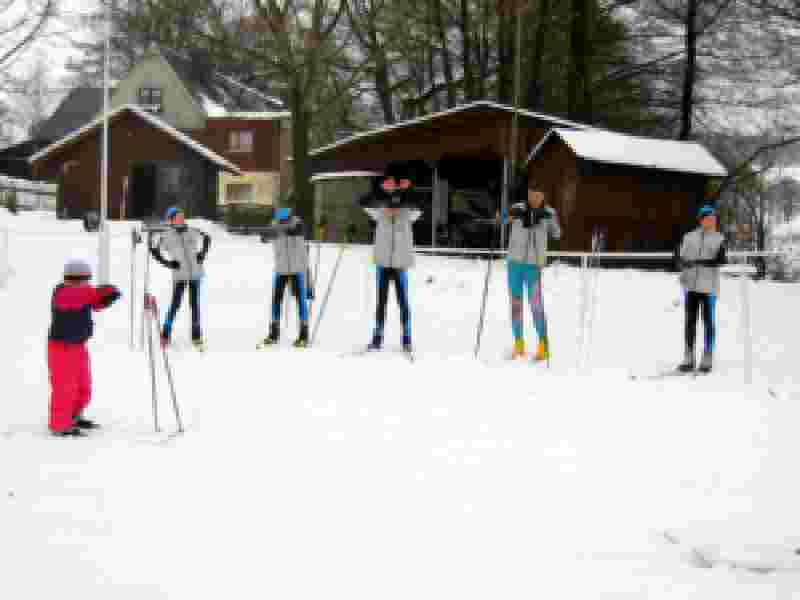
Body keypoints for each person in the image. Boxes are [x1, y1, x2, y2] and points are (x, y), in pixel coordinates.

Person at [48, 259, 121, 436]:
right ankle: (60, 425)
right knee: (65, 387)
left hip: (78, 346)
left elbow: (94, 303)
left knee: (83, 386)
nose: (85, 283)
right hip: (61, 348)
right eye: (84, 280)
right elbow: (84, 297)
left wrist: (106, 299)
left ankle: (73, 415)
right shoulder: (62, 292)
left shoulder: (83, 292)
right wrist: (103, 292)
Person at [359, 162, 423, 352]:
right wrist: (381, 191)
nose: (394, 208)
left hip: (400, 262)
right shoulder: (379, 211)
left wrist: (407, 190)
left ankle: (407, 338)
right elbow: (363, 202)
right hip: (383, 262)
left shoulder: (409, 212)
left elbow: (420, 205)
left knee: (403, 301)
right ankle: (377, 337)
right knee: (381, 301)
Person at [499, 180, 561, 361]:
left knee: (536, 305)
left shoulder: (549, 212)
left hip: (533, 267)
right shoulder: (517, 207)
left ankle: (543, 345)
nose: (534, 197)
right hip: (515, 264)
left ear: (543, 196)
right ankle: (518, 343)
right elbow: (501, 219)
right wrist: (508, 214)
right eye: (531, 194)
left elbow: (557, 234)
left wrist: (548, 219)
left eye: (538, 194)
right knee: (516, 304)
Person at [149, 206, 211, 349]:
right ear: (171, 220)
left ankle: (196, 335)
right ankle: (166, 334)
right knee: (175, 305)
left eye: (182, 216)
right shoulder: (166, 235)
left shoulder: (192, 231)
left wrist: (202, 254)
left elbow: (207, 238)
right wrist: (168, 263)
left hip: (196, 273)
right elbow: (153, 250)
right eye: (178, 217)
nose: (181, 219)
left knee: (194, 305)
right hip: (180, 275)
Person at [678, 204, 727, 373]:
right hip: (690, 285)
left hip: (709, 287)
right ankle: (688, 356)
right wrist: (681, 264)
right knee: (690, 322)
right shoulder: (689, 237)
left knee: (708, 322)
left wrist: (699, 262)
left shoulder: (719, 238)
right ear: (701, 219)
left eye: (714, 218)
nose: (712, 221)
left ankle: (707, 356)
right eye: (708, 218)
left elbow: (721, 260)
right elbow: (681, 258)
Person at [257, 207, 310, 348]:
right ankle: (273, 333)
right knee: (276, 301)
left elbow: (298, 231)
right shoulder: (274, 225)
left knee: (301, 302)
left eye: (284, 220)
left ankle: (304, 334)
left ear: (290, 217)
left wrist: (283, 230)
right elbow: (264, 238)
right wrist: (266, 234)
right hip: (280, 269)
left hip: (297, 269)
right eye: (279, 220)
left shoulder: (298, 224)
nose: (281, 222)